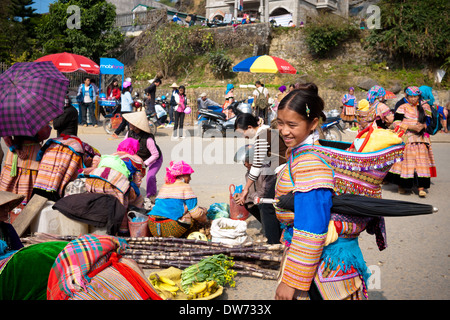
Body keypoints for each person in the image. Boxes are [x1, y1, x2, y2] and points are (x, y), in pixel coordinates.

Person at [274, 87, 383, 300]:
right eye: (280, 123)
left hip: (319, 270)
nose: (284, 131)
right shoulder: (307, 153)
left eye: (292, 125)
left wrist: (291, 281)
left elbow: (312, 226)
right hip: (323, 264)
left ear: (313, 123)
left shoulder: (309, 163)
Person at [234, 113, 285, 244]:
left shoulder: (262, 136)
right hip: (279, 172)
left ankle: (274, 243)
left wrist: (245, 190)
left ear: (250, 127)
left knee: (267, 206)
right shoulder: (266, 131)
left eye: (243, 132)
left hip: (282, 172)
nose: (244, 136)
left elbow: (256, 167)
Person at [385, 86, 436, 197]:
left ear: (419, 96)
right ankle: (402, 185)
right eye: (411, 96)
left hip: (421, 137)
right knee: (406, 162)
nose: (413, 99)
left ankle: (421, 187)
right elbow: (396, 123)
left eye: (415, 96)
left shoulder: (425, 107)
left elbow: (430, 123)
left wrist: (423, 126)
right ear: (406, 96)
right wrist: (411, 127)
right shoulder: (402, 107)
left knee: (421, 162)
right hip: (407, 137)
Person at [147, 161, 207, 238]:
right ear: (182, 176)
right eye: (189, 176)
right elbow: (195, 214)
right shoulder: (185, 187)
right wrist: (205, 217)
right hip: (170, 228)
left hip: (153, 226)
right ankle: (187, 236)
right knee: (192, 214)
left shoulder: (165, 186)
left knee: (186, 209)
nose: (190, 179)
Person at [0, 124, 51, 210]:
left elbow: (6, 135)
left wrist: (15, 148)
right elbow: (44, 134)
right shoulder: (37, 117)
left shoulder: (13, 117)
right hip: (32, 154)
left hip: (15, 154)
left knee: (8, 188)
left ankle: (6, 211)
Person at [123, 111, 163, 201]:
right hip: (138, 159)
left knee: (150, 176)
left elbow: (155, 154)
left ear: (136, 126)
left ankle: (151, 196)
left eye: (131, 122)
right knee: (131, 175)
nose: (129, 123)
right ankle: (132, 195)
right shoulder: (129, 133)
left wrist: (144, 163)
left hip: (154, 159)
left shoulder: (148, 138)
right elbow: (123, 146)